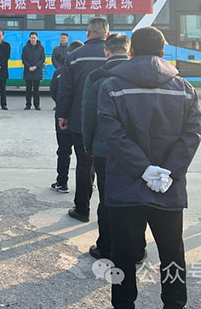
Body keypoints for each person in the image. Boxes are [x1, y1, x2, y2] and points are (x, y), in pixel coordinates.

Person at [97, 26, 201, 309]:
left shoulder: (112, 86)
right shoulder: (184, 88)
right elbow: (192, 134)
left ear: (131, 51)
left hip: (126, 186)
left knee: (123, 255)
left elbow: (112, 133)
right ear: (163, 51)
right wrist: (170, 171)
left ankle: (123, 303)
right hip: (168, 187)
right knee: (172, 252)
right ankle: (175, 303)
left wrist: (143, 169)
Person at [82, 34, 145, 264]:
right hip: (137, 151)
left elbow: (88, 114)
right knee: (136, 198)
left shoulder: (96, 76)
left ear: (106, 51)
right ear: (128, 50)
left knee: (107, 199)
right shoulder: (141, 75)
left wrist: (88, 145)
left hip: (104, 149)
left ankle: (106, 247)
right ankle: (137, 249)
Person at [56, 17, 110, 222]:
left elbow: (65, 91)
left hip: (80, 121)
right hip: (111, 121)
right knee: (109, 166)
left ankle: (82, 209)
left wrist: (62, 115)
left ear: (88, 33)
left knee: (84, 164)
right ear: (107, 34)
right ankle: (109, 212)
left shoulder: (74, 56)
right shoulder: (114, 55)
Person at [49, 40, 83, 193]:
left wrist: (63, 111)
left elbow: (54, 93)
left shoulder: (59, 72)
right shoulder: (86, 72)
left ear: (68, 53)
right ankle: (87, 183)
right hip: (82, 118)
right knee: (85, 154)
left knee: (63, 151)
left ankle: (62, 182)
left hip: (64, 118)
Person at [21, 32, 46, 110]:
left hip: (37, 71)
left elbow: (42, 59)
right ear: (29, 38)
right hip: (28, 71)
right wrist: (29, 67)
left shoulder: (41, 48)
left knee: (36, 90)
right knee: (28, 89)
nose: (33, 39)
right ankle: (28, 105)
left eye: (34, 37)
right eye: (31, 37)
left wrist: (35, 67)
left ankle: (37, 105)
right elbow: (24, 59)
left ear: (37, 38)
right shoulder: (25, 48)